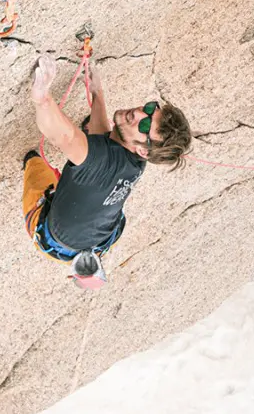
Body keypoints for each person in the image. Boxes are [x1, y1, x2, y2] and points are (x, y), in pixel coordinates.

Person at [22, 53, 193, 290]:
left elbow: (63, 136)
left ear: (143, 150)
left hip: (54, 238)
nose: (140, 113)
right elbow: (105, 140)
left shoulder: (100, 161)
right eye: (150, 109)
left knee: (35, 168)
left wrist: (42, 98)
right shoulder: (138, 159)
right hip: (100, 236)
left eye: (144, 125)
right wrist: (97, 93)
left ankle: (30, 161)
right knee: (94, 146)